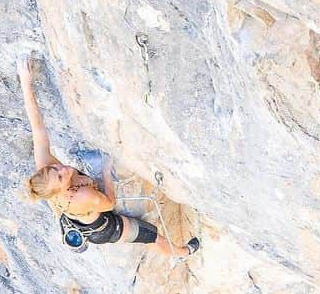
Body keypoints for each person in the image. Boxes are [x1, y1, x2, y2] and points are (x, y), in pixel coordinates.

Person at [17, 56, 199, 259]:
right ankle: (182, 253)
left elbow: (37, 127)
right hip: (102, 226)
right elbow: (110, 203)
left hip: (74, 215)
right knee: (151, 235)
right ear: (59, 189)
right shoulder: (83, 197)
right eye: (60, 177)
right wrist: (105, 171)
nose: (62, 169)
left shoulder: (47, 171)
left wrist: (26, 82)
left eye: (55, 169)